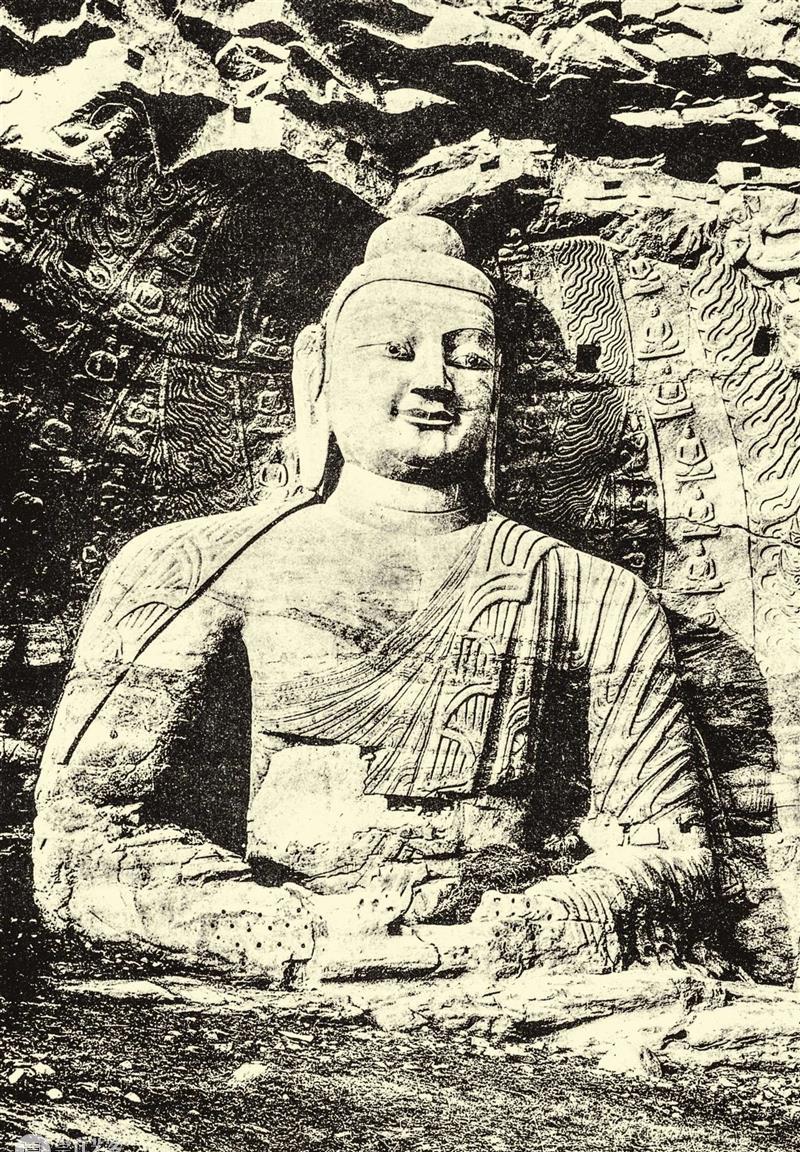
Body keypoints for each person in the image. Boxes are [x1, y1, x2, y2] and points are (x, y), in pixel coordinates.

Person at [33, 217, 713, 985]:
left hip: (505, 965)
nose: (434, 381)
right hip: (281, 960)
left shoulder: (594, 593)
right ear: (316, 373)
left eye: (471, 358)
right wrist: (277, 928)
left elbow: (672, 854)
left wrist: (529, 928)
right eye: (395, 350)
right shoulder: (199, 565)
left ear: (504, 393)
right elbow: (85, 842)